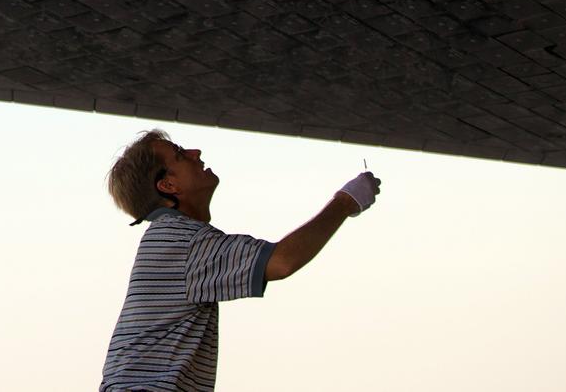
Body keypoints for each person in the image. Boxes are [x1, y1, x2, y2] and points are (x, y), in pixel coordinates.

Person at [99, 129, 381, 392]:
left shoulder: (168, 238)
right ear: (168, 184)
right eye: (181, 154)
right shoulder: (184, 241)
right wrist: (346, 201)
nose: (195, 153)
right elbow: (282, 261)